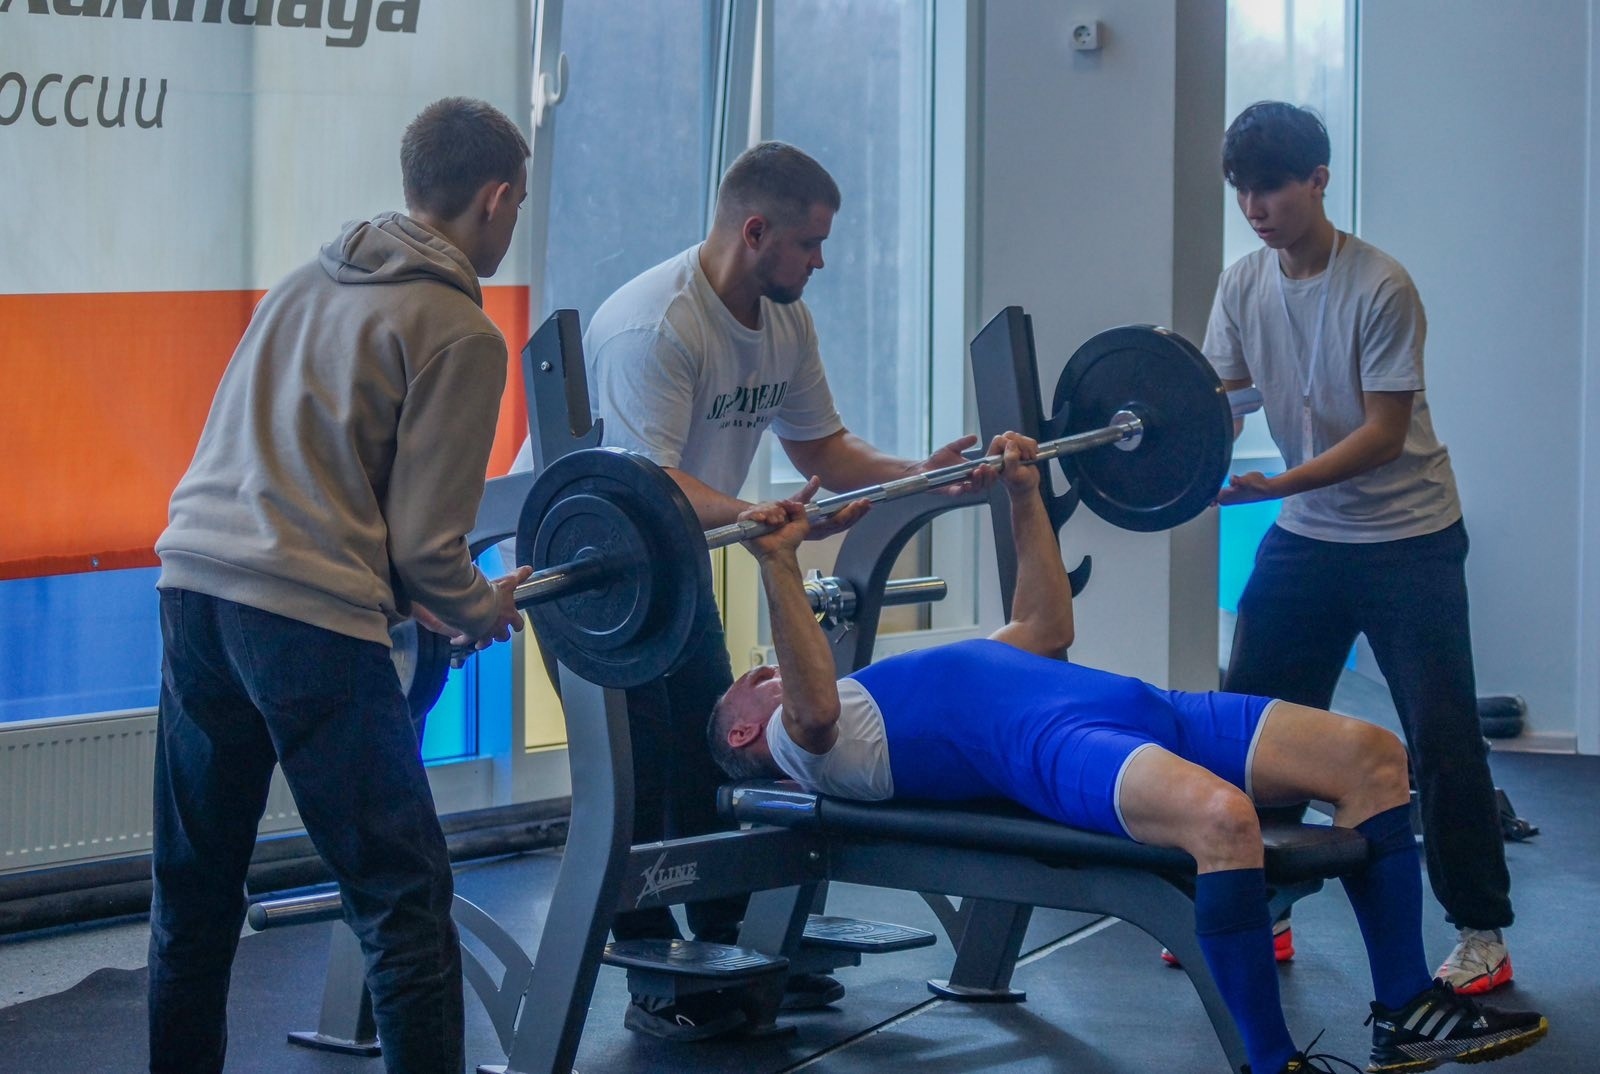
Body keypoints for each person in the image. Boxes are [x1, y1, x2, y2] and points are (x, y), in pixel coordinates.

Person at [709, 432, 1548, 1074]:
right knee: (1223, 821)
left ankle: (1405, 1010)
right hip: (1067, 746)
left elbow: (1044, 628)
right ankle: (1270, 1062)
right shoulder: (804, 742)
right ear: (746, 730)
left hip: (1151, 707)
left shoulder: (876, 690)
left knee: (1373, 756)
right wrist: (779, 566)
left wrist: (1025, 495)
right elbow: (813, 709)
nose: (761, 671)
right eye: (750, 681)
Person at [510, 140, 989, 1040]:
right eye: (810, 243)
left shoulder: (783, 322)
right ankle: (657, 981)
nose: (821, 261)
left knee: (713, 752)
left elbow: (824, 450)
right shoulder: (660, 327)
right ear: (756, 231)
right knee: (638, 774)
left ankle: (736, 948)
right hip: (592, 572)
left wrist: (920, 475)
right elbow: (644, 484)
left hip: (674, 556)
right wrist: (763, 517)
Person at [148, 97, 534, 1074]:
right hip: (303, 615)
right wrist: (483, 605)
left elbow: (305, 469)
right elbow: (429, 551)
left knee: (193, 895)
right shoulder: (459, 330)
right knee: (403, 903)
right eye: (519, 205)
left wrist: (418, 585)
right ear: (495, 200)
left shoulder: (301, 284)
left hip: (193, 588)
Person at [1201, 101, 1515, 995]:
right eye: (1242, 191)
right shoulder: (1243, 284)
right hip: (1309, 538)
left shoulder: (1381, 286)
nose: (1255, 208)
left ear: (1318, 181)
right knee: (1253, 725)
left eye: (1271, 188)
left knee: (1440, 734)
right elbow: (1221, 400)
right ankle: (1265, 908)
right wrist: (1175, 450)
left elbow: (1382, 434)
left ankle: (1482, 931)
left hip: (1408, 535)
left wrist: (1277, 488)